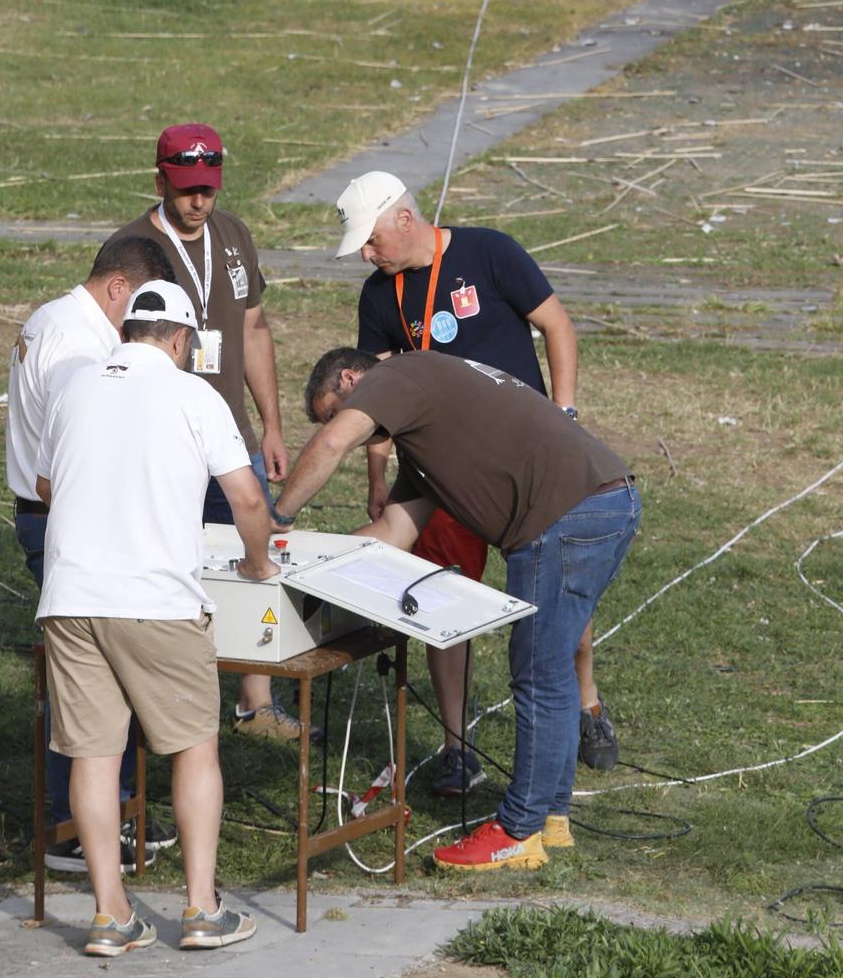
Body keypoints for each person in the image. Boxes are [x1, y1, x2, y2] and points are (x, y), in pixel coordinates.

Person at [272, 347, 640, 873]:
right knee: (552, 669)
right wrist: (303, 561)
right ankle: (551, 819)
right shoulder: (424, 439)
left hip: (566, 513)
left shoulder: (395, 376)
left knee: (538, 675)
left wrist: (277, 520)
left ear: (352, 380)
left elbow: (331, 443)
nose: (341, 430)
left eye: (334, 408)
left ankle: (517, 830)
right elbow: (392, 533)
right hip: (601, 500)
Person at [334, 170, 618, 793]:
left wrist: (563, 414)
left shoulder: (489, 252)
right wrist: (378, 478)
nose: (366, 253)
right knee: (442, 600)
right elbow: (376, 399)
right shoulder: (378, 297)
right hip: (442, 475)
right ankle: (457, 746)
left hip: (525, 468)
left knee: (556, 601)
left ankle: (588, 701)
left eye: (371, 239)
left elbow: (558, 327)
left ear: (404, 219)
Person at [35, 279, 278, 954]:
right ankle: (200, 909)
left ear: (125, 331)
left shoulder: (72, 386)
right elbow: (247, 499)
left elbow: (47, 483)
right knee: (194, 746)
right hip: (157, 601)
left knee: (92, 754)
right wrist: (258, 564)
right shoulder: (193, 393)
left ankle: (111, 915)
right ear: (182, 339)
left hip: (72, 598)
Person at [117, 122, 300, 742]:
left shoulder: (234, 236)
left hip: (229, 434)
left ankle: (255, 700)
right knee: (167, 559)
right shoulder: (132, 249)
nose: (200, 202)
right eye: (188, 188)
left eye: (210, 189)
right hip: (163, 438)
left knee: (254, 552)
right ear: (160, 178)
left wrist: (271, 425)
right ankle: (158, 687)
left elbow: (253, 329)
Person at [7, 231, 178, 871]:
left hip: (55, 517)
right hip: (64, 521)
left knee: (99, 673)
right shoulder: (80, 347)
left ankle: (113, 807)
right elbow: (70, 459)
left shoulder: (55, 321)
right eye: (138, 312)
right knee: (88, 680)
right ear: (117, 288)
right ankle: (75, 823)